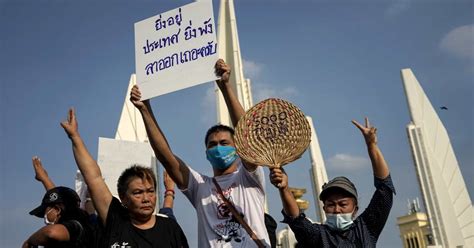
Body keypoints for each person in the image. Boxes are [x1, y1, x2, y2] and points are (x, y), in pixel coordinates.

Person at [130, 59, 270, 247]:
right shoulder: (200, 186)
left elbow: (247, 133)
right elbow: (167, 157)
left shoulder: (249, 177)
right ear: (206, 152)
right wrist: (145, 110)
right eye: (212, 145)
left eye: (224, 143)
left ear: (238, 147)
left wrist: (225, 87)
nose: (218, 147)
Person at [60, 108, 189, 248]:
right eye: (138, 193)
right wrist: (75, 137)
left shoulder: (170, 228)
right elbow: (94, 179)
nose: (146, 198)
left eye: (150, 191)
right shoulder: (115, 220)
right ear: (123, 197)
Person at [270, 118, 395, 247]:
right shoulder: (318, 236)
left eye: (343, 204)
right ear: (324, 209)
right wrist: (284, 188)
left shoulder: (366, 229)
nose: (337, 210)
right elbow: (296, 219)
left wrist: (372, 146)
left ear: (355, 209)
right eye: (331, 205)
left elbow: (385, 190)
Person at [23, 184, 94, 248]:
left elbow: (51, 233)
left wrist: (29, 241)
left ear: (57, 210)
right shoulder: (87, 223)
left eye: (45, 212)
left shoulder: (76, 226)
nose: (44, 217)